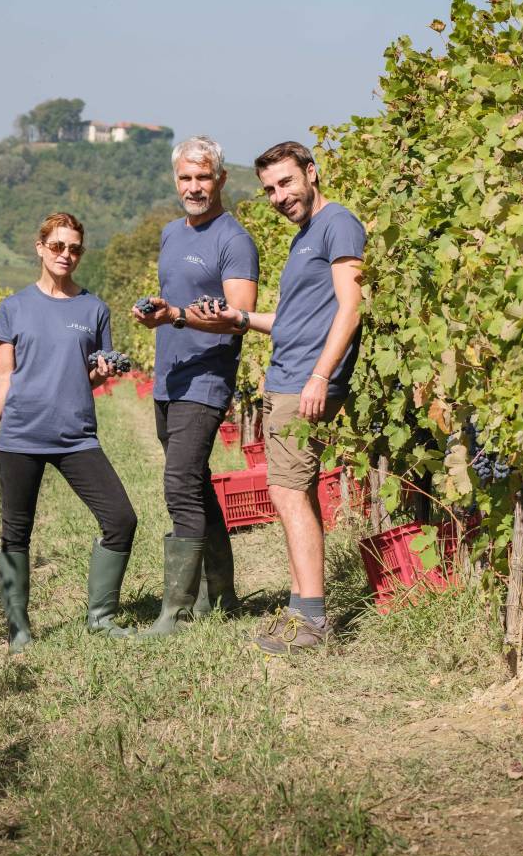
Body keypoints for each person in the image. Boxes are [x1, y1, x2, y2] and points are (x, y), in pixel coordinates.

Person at [216, 141, 365, 655]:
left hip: (305, 381)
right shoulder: (306, 237)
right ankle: (305, 609)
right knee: (291, 491)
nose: (279, 196)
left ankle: (313, 620)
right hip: (289, 377)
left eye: (286, 183)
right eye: (269, 190)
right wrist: (237, 320)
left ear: (311, 172)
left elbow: (351, 307)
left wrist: (321, 376)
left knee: (287, 492)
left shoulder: (337, 223)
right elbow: (293, 322)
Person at [0, 212, 137, 653]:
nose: (67, 255)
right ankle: (19, 628)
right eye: (58, 246)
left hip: (76, 435)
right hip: (21, 435)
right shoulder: (15, 307)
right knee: (15, 532)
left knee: (121, 519)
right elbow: (2, 376)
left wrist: (100, 376)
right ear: (40, 247)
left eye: (75, 248)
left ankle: (100, 618)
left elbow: (88, 376)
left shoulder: (94, 309)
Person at [131, 136, 259, 636]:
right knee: (197, 482)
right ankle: (220, 593)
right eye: (186, 178)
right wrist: (155, 312)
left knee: (179, 483)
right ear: (176, 180)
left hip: (206, 378)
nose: (194, 186)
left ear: (221, 179)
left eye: (203, 177)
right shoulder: (170, 233)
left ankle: (177, 610)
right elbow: (174, 300)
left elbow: (238, 318)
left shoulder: (234, 240)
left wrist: (178, 316)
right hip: (169, 375)